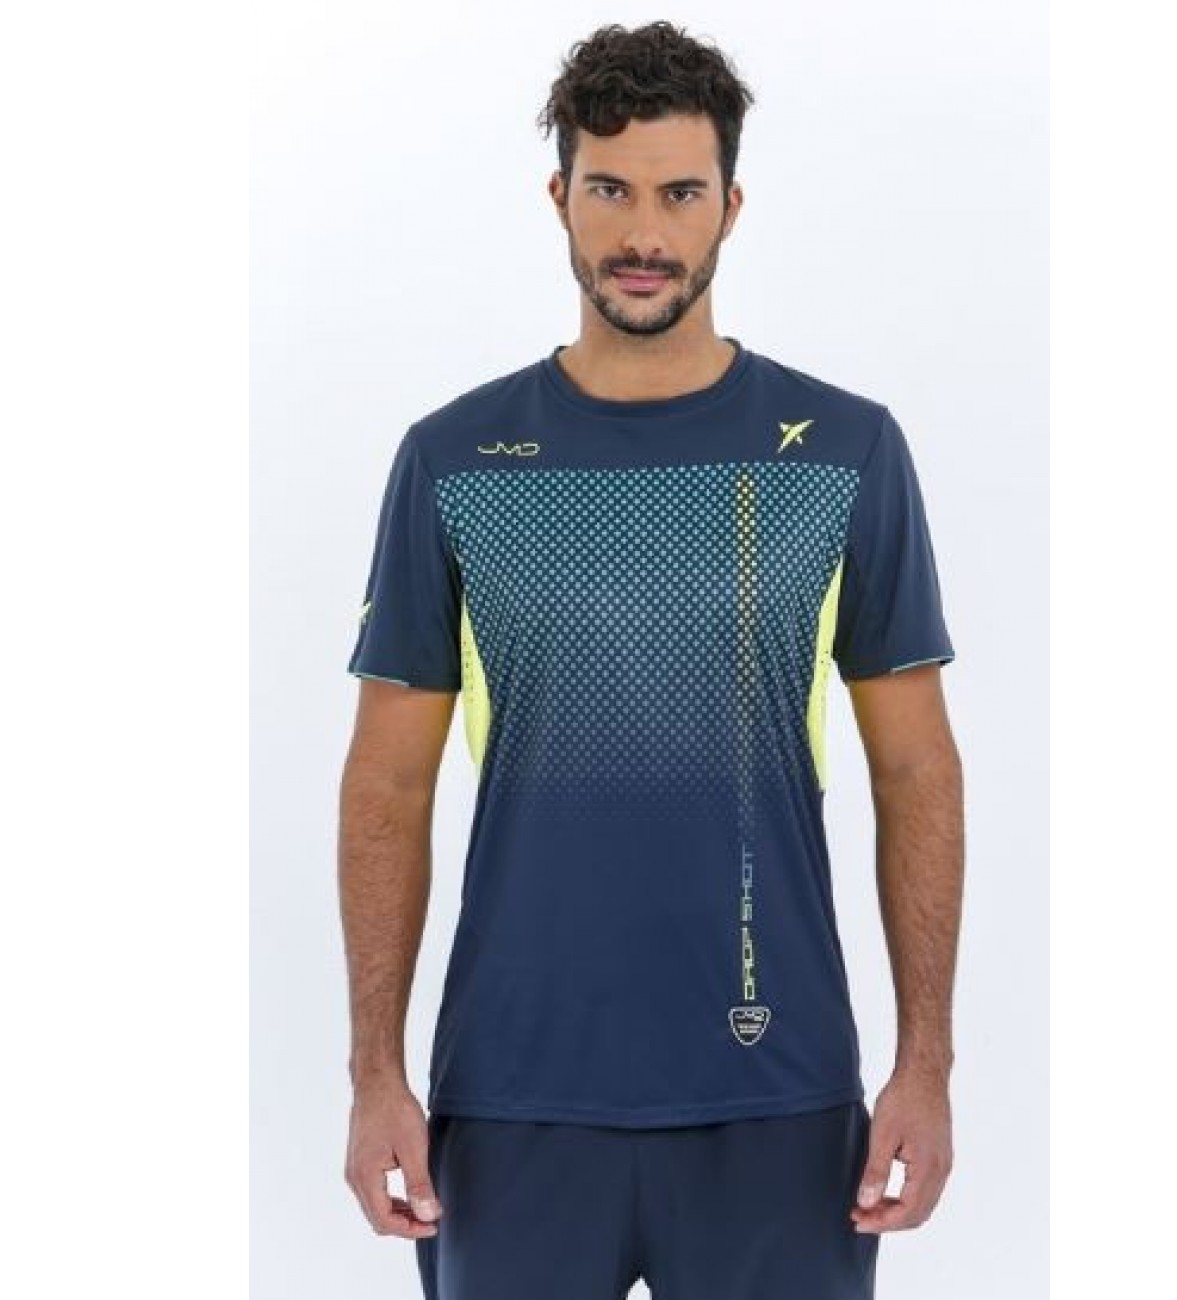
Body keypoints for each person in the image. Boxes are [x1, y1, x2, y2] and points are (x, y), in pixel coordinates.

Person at [338, 20, 964, 1300]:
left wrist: (926, 1065)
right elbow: (385, 787)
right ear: (558, 196)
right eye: (609, 189)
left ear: (729, 205)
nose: (643, 233)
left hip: (779, 1097)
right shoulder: (452, 460)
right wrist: (372, 1075)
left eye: (679, 193)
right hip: (511, 1102)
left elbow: (918, 774)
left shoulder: (844, 451)